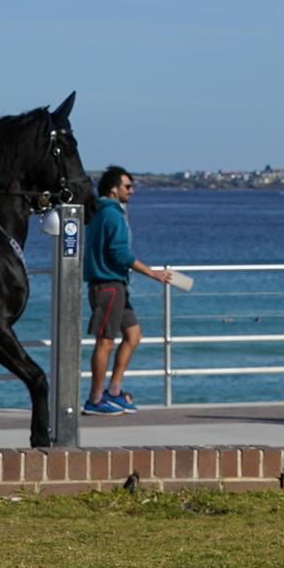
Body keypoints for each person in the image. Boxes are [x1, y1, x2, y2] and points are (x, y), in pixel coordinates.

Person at [82, 167, 172, 415]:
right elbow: (120, 254)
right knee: (105, 342)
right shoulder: (112, 215)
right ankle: (95, 399)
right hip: (108, 286)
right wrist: (153, 273)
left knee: (133, 335)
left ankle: (114, 391)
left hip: (116, 285)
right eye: (127, 186)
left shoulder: (99, 213)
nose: (132, 191)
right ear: (114, 189)